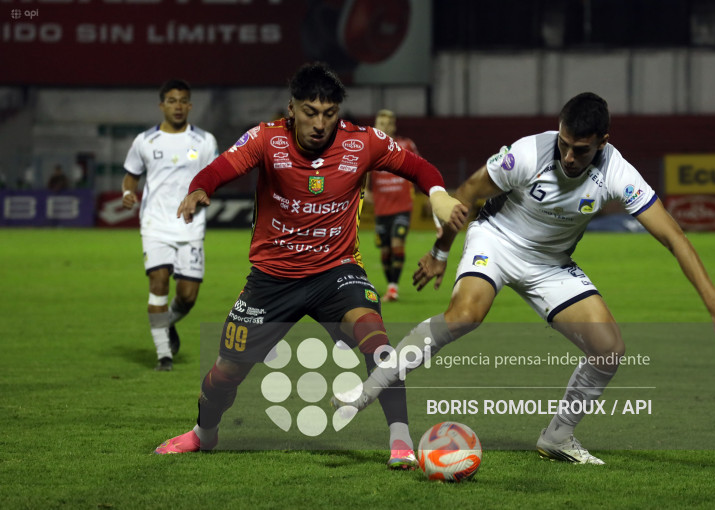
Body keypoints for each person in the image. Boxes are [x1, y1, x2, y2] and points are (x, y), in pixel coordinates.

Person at [333, 92, 715, 465]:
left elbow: (673, 235)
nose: (569, 157)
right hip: (497, 239)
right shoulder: (527, 153)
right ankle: (367, 390)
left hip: (550, 264)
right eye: (564, 144)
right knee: (466, 315)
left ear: (603, 143)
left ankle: (557, 436)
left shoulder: (616, 171)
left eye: (581, 149)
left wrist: (713, 301)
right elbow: (466, 193)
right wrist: (441, 251)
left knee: (610, 350)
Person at [153, 62, 468, 469]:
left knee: (377, 341)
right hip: (272, 279)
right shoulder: (267, 139)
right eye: (310, 112)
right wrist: (200, 188)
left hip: (336, 272)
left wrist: (438, 193)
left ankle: (401, 441)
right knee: (226, 371)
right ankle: (203, 434)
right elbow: (221, 167)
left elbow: (418, 167)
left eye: (329, 113)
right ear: (292, 109)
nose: (320, 123)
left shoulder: (363, 142)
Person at [121, 79, 219, 372]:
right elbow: (131, 175)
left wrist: (205, 192)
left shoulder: (205, 141)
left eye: (183, 101)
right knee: (158, 283)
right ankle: (164, 355)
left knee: (187, 297)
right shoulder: (145, 141)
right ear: (161, 105)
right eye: (172, 100)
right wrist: (128, 192)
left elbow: (214, 176)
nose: (178, 106)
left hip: (190, 227)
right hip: (155, 225)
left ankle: (166, 324)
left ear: (190, 105)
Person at [367, 109, 420, 302]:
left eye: (388, 123)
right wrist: (367, 195)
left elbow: (419, 169)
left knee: (397, 243)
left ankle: (393, 289)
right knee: (385, 250)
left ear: (393, 125)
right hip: (382, 209)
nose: (384, 126)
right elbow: (364, 178)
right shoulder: (370, 150)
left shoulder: (406, 145)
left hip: (402, 207)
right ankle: (390, 287)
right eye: (380, 123)